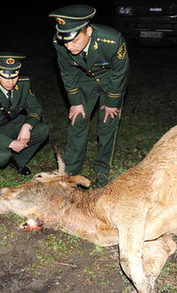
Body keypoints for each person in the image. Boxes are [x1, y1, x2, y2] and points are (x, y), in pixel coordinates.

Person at [49, 4, 129, 185]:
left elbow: (120, 72)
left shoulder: (112, 41)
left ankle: (102, 169)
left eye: (74, 41)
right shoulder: (60, 43)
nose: (69, 47)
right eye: (65, 42)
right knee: (77, 121)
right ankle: (70, 170)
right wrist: (75, 102)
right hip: (83, 81)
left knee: (108, 123)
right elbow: (67, 73)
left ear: (89, 31)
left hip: (110, 80)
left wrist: (111, 102)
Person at [0, 52, 49, 176]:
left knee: (43, 129)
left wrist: (26, 127)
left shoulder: (23, 83)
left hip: (11, 125)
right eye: (6, 77)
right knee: (1, 157)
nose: (11, 82)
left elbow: (35, 108)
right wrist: (11, 143)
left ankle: (18, 161)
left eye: (14, 76)